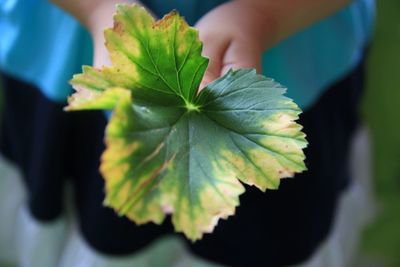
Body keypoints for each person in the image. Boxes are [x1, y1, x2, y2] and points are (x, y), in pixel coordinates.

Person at [0, 0, 375, 266]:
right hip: (71, 43)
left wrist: (263, 14)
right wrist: (95, 7)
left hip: (294, 42)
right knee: (110, 229)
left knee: (268, 238)